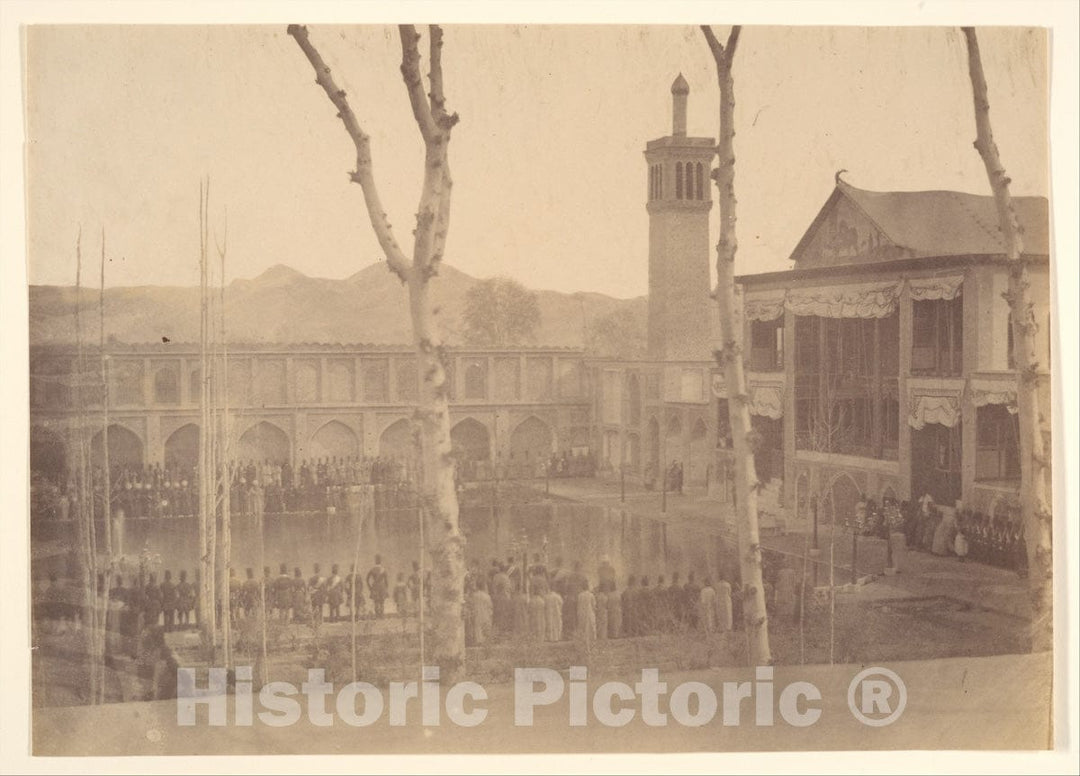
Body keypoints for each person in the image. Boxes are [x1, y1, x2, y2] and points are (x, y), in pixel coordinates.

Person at [470, 579, 493, 645]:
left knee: (477, 628)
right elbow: (490, 607)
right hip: (485, 614)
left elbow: (471, 605)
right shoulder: (487, 596)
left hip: (477, 614)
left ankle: (478, 642)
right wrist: (490, 614)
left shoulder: (474, 595)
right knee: (484, 628)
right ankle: (484, 642)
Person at [576, 586, 597, 652]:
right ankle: (591, 647)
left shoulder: (580, 595)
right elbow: (594, 606)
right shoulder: (591, 595)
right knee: (591, 630)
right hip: (589, 614)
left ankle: (584, 647)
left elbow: (578, 605)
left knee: (583, 630)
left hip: (582, 614)